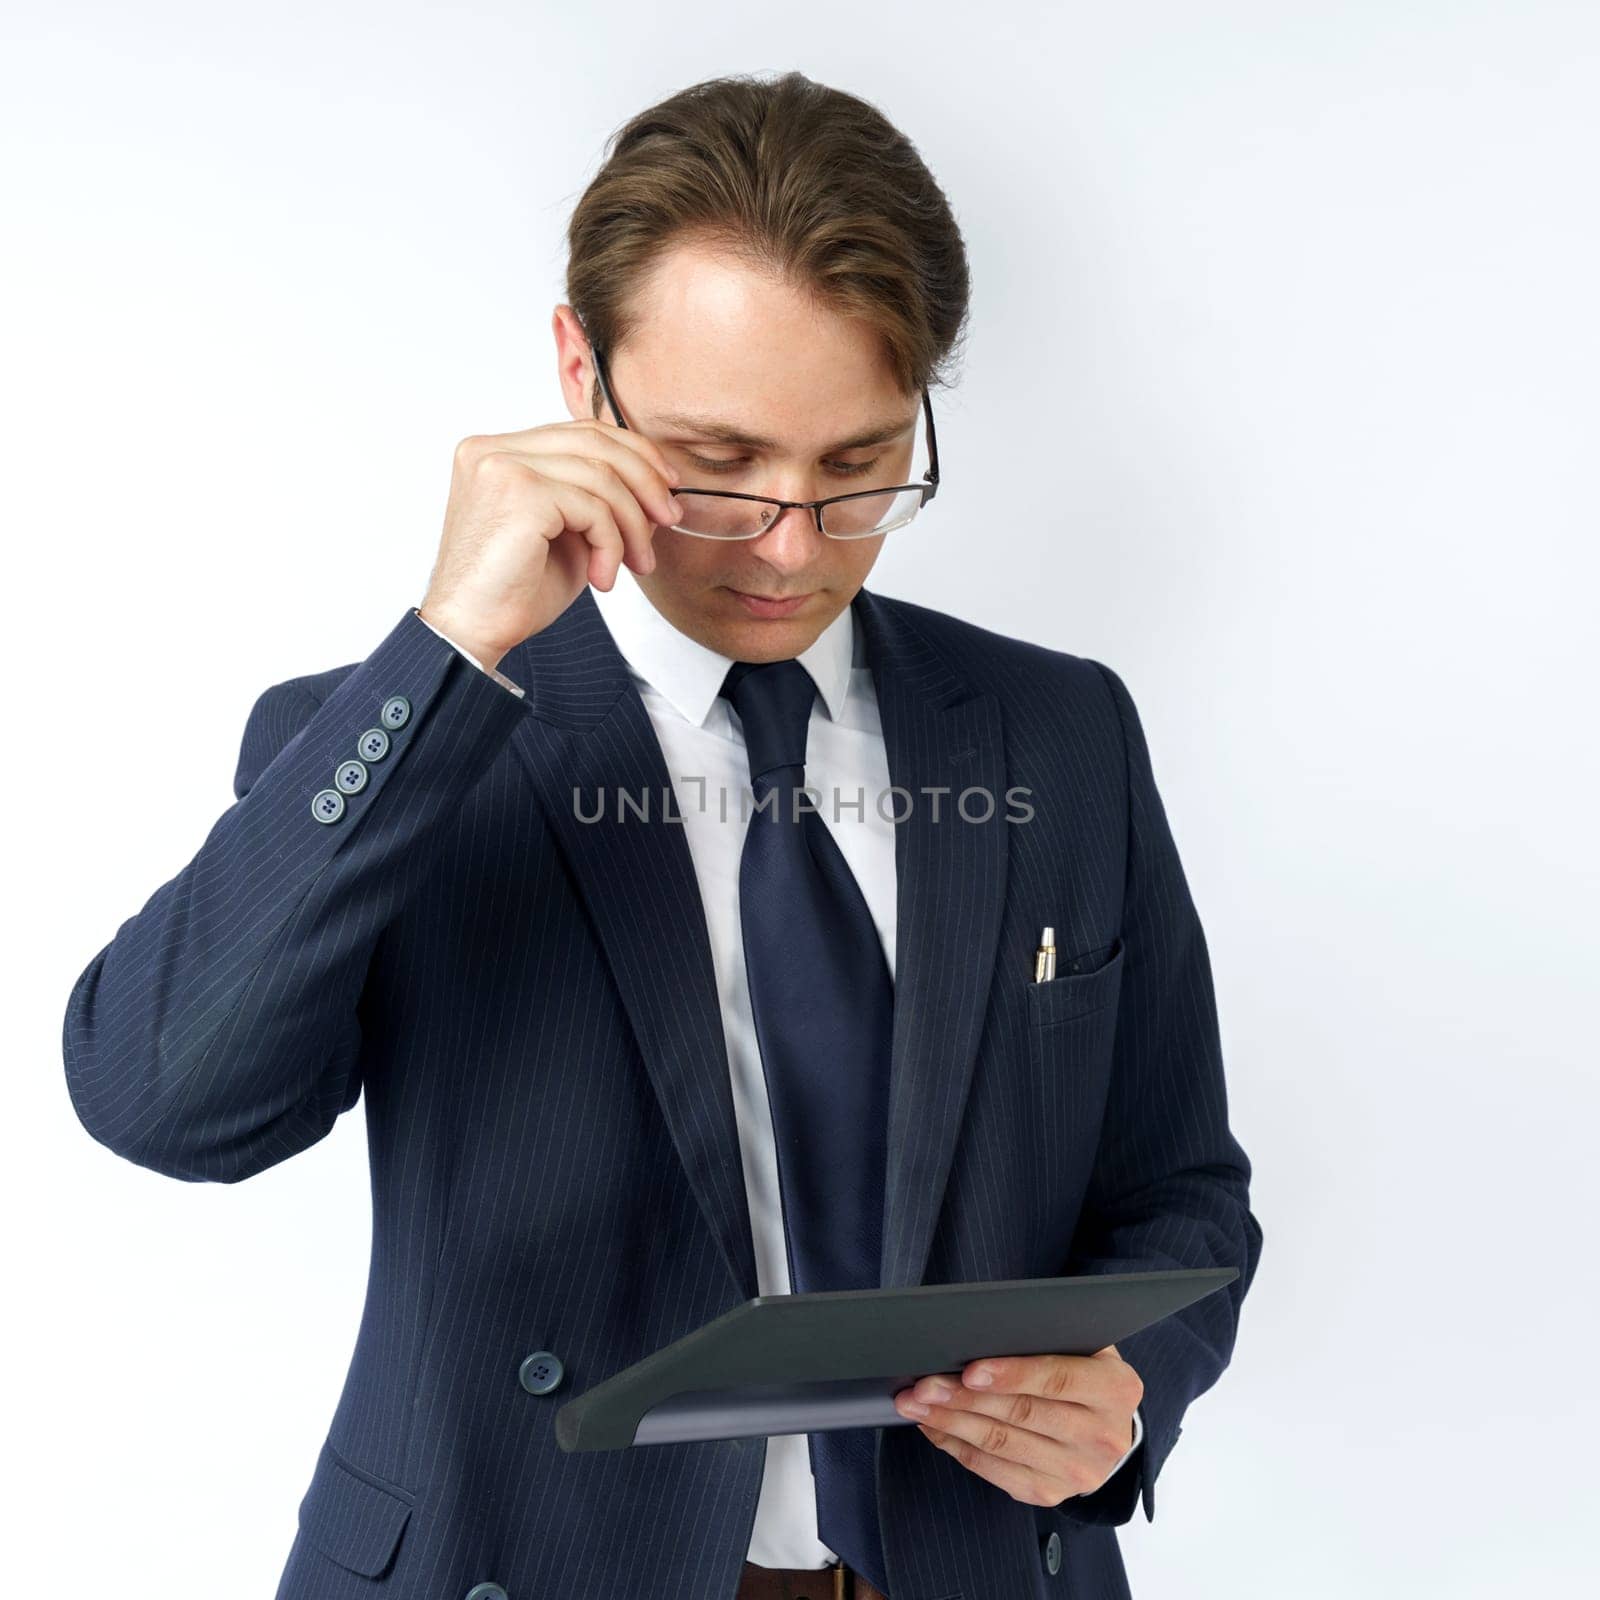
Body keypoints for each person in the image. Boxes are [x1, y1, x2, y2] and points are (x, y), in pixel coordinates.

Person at [61, 70, 1261, 1600]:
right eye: (716, 463)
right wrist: (445, 650)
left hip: (967, 1567)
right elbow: (161, 1103)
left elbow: (1180, 1189)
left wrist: (1127, 1387)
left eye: (857, 466)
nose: (787, 546)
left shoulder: (1056, 733)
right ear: (582, 376)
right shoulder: (394, 734)